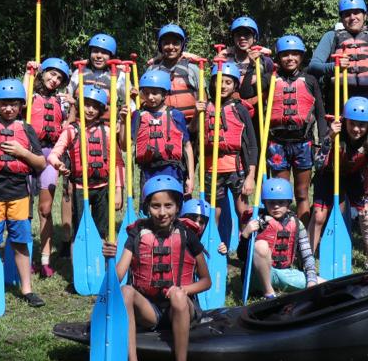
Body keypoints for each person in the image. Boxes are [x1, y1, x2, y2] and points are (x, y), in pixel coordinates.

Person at [103, 175, 211, 361]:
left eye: (168, 206)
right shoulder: (136, 234)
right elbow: (118, 277)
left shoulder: (187, 235)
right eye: (155, 206)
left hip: (179, 309)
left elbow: (206, 281)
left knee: (179, 298)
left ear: (178, 207)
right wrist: (109, 260)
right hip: (149, 312)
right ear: (146, 207)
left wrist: (184, 290)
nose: (162, 212)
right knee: (125, 291)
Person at [0, 78, 47, 307]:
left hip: (19, 193)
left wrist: (22, 152)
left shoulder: (26, 130)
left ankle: (26, 289)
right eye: (4, 104)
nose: (9, 109)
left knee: (20, 242)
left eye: (14, 104)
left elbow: (41, 163)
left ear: (21, 105)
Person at [310, 96, 368, 267]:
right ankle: (307, 258)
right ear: (346, 122)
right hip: (328, 174)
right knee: (319, 216)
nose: (357, 129)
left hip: (354, 175)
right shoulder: (336, 133)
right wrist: (330, 137)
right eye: (353, 124)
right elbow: (319, 163)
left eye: (362, 125)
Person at [266, 35, 327, 224]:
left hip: (303, 143)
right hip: (277, 144)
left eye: (294, 54)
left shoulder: (310, 81)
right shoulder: (270, 80)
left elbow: (320, 114)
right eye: (285, 55)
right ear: (278, 58)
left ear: (301, 57)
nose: (290, 58)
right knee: (281, 194)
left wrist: (323, 142)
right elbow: (245, 91)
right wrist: (255, 64)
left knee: (301, 193)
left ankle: (303, 238)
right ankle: (281, 233)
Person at [197, 61, 258, 248]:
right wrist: (197, 112)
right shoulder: (204, 107)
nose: (223, 86)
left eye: (228, 82)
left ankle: (246, 248)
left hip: (236, 168)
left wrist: (250, 177)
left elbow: (252, 145)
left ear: (235, 86)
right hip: (211, 168)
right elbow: (193, 135)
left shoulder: (240, 109)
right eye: (219, 81)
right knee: (213, 211)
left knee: (243, 210)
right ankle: (211, 246)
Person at [48, 84, 118, 240]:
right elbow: (53, 155)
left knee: (101, 230)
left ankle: (100, 260)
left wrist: (118, 189)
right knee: (79, 231)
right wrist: (58, 164)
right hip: (80, 187)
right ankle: (77, 261)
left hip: (102, 187)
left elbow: (117, 162)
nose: (90, 110)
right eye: (86, 105)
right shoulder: (71, 130)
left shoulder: (107, 131)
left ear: (101, 110)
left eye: (95, 107)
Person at [307, 0, 368, 104]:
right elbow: (313, 66)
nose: (352, 17)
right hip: (340, 107)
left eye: (356, 12)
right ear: (341, 18)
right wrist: (334, 66)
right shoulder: (330, 37)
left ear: (365, 15)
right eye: (347, 14)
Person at [28, 58, 71, 278]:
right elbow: (21, 101)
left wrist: (72, 105)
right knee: (24, 211)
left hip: (50, 154)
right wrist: (29, 72)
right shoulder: (29, 94)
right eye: (51, 74)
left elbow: (71, 123)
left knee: (45, 210)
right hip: (27, 154)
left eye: (59, 78)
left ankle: (44, 259)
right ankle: (24, 258)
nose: (54, 80)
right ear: (43, 73)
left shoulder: (61, 102)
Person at [241, 178, 319, 299]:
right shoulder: (257, 222)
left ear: (288, 203)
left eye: (281, 202)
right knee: (260, 245)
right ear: (265, 203)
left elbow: (307, 256)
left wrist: (312, 280)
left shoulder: (297, 224)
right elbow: (241, 256)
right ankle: (269, 293)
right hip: (256, 275)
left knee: (323, 284)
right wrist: (245, 235)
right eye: (271, 202)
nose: (276, 206)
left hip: (282, 273)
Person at [131, 69, 196, 195]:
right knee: (150, 208)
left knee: (172, 207)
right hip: (148, 171)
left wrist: (191, 178)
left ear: (165, 93)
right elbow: (126, 144)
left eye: (155, 93)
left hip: (172, 170)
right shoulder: (139, 115)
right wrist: (123, 121)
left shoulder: (176, 115)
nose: (150, 97)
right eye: (146, 93)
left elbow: (187, 147)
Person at [214, 16, 274, 115]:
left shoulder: (265, 61)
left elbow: (272, 84)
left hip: (257, 111)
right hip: (230, 111)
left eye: (247, 34)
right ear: (233, 37)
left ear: (254, 38)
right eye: (238, 35)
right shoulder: (224, 59)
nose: (242, 38)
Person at [147, 24, 201, 123]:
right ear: (161, 46)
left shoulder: (192, 68)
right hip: (162, 126)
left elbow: (203, 99)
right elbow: (143, 98)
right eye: (166, 43)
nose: (171, 47)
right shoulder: (152, 70)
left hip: (190, 126)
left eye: (176, 43)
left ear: (182, 46)